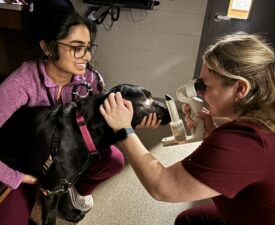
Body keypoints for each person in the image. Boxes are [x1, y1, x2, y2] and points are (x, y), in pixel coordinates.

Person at [99, 32, 275, 225]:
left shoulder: (247, 142)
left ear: (240, 88)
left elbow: (163, 186)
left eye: (205, 87)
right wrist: (213, 135)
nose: (201, 94)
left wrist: (123, 129)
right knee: (188, 219)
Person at [0, 7, 160, 225]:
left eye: (88, 47)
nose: (87, 56)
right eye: (77, 48)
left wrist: (131, 124)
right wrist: (16, 177)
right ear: (47, 47)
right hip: (23, 162)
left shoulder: (90, 81)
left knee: (113, 160)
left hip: (64, 157)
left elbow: (96, 132)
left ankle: (73, 190)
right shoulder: (21, 83)